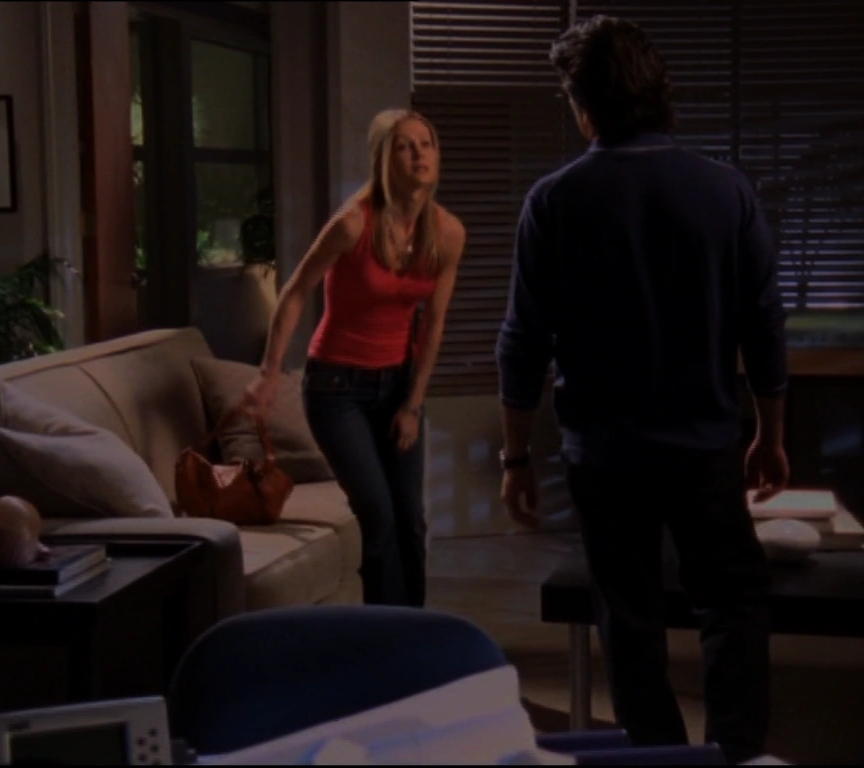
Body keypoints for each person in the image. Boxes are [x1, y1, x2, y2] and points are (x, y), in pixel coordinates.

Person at [494, 15, 790, 764]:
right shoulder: (727, 191)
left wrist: (514, 458)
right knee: (732, 601)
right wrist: (771, 433)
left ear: (584, 107)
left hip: (606, 457)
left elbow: (523, 341)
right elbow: (763, 327)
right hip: (707, 446)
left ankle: (657, 758)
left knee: (628, 616)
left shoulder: (553, 201)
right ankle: (735, 754)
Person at [243, 108, 467, 608]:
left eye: (426, 143)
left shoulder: (447, 232)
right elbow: (295, 292)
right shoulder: (351, 225)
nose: (418, 154)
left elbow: (433, 325)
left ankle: (417, 632)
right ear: (384, 159)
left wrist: (412, 405)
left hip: (400, 385)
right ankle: (383, 635)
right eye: (405, 146)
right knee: (378, 514)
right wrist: (269, 372)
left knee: (410, 516)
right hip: (336, 389)